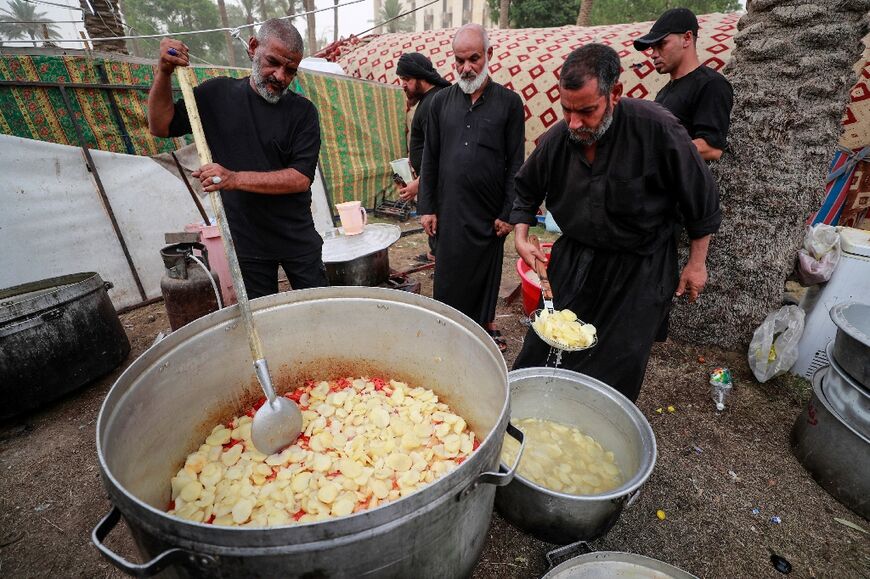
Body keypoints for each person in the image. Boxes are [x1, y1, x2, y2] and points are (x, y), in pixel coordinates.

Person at [510, 44, 721, 402]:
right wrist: (521, 235)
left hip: (640, 266)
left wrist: (697, 264)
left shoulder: (657, 129)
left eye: (587, 111)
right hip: (577, 259)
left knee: (618, 363)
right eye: (567, 110)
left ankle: (593, 430)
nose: (575, 123)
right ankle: (528, 417)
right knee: (544, 348)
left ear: (616, 94)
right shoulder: (561, 138)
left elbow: (700, 200)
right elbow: (526, 189)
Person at [148, 19, 328, 299]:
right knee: (262, 318)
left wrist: (233, 178)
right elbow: (160, 126)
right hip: (247, 243)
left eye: (290, 71)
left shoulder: (302, 113)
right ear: (253, 47)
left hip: (297, 238)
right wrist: (163, 72)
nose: (280, 76)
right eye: (273, 62)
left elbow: (299, 179)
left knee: (318, 310)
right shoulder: (216, 95)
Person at [417, 24, 525, 352]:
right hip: (449, 209)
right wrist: (427, 207)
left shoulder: (508, 103)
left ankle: (482, 330)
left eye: (474, 58)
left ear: (489, 55)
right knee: (449, 275)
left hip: (490, 212)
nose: (466, 67)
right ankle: (448, 329)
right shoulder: (440, 104)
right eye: (460, 60)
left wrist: (509, 212)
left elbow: (515, 162)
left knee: (486, 274)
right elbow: (430, 159)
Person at [633, 7, 733, 161]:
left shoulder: (711, 84)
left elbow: (711, 148)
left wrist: (653, 150)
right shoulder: (664, 92)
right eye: (652, 48)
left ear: (687, 38)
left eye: (661, 44)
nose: (653, 54)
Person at [395, 52, 450, 263]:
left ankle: (439, 260)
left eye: (407, 80)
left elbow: (441, 150)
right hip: (431, 178)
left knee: (437, 219)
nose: (404, 85)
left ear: (420, 77)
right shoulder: (434, 98)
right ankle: (434, 254)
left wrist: (419, 183)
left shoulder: (433, 102)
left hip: (435, 180)